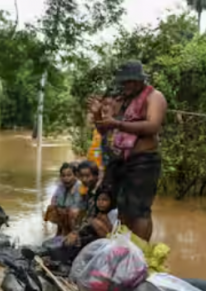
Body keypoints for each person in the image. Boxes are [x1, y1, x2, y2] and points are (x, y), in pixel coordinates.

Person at [94, 60, 167, 242]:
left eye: (128, 82)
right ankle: (123, 250)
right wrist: (97, 115)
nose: (125, 86)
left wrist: (118, 123)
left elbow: (153, 126)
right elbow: (104, 129)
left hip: (144, 161)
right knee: (120, 208)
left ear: (138, 81)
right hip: (120, 161)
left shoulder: (154, 97)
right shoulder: (122, 101)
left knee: (139, 211)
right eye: (123, 82)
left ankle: (141, 253)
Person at [45, 162, 84, 236]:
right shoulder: (61, 186)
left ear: (75, 176)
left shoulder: (79, 186)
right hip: (65, 211)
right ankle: (60, 232)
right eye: (63, 176)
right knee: (51, 208)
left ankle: (73, 234)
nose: (66, 178)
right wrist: (56, 206)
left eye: (69, 175)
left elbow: (78, 205)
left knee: (71, 212)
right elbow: (54, 199)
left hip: (77, 215)